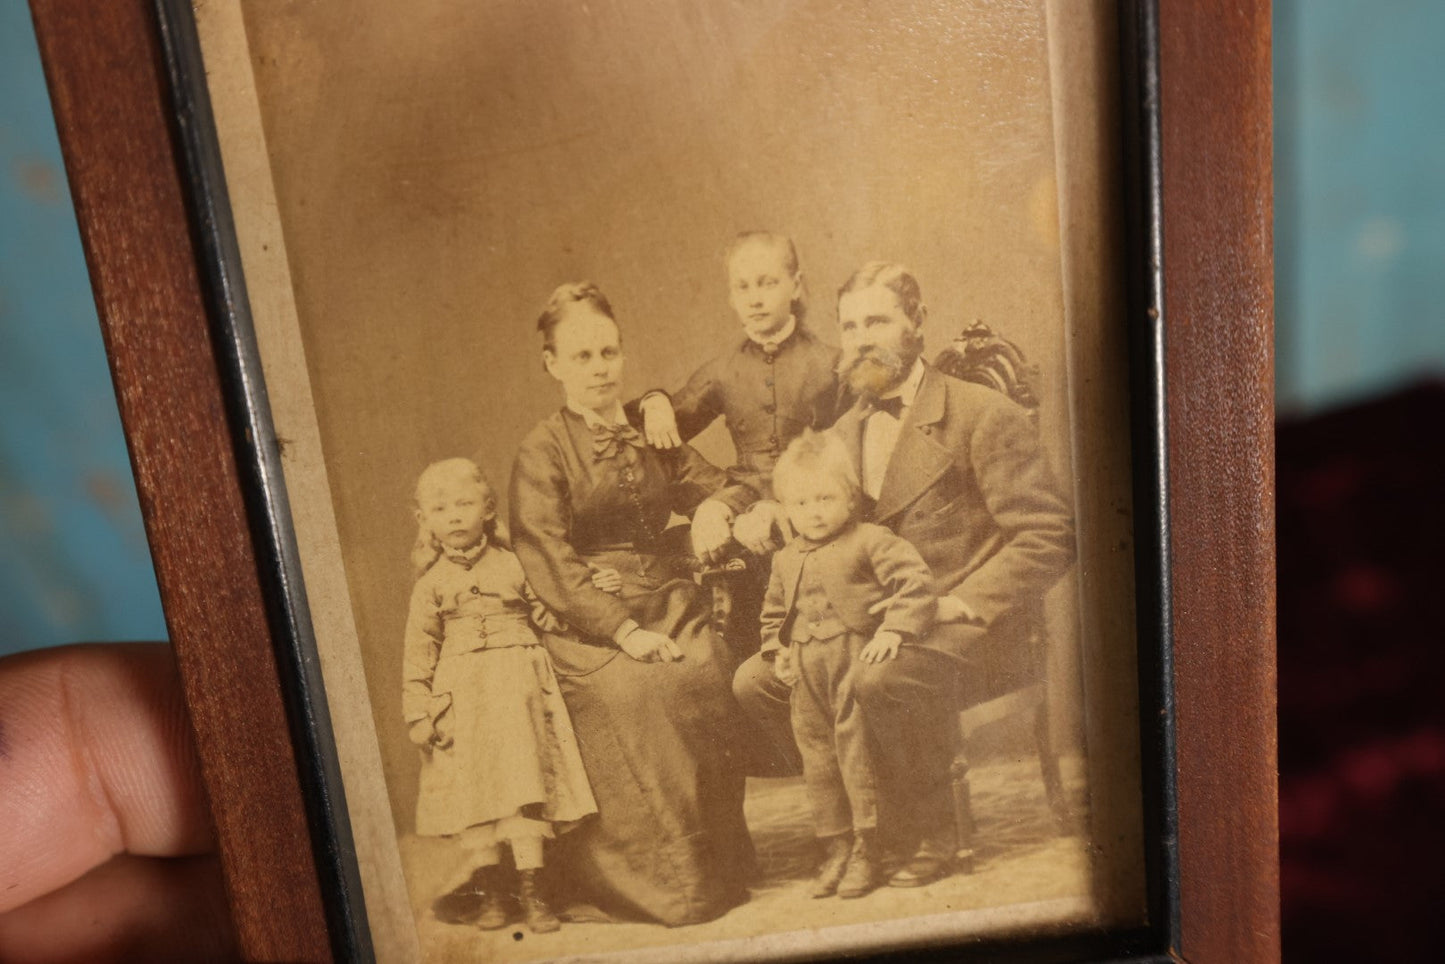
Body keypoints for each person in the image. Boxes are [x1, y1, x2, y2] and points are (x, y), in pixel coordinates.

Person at [732, 261, 1075, 888]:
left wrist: (961, 602)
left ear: (916, 325)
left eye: (878, 320)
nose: (862, 338)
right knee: (756, 683)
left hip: (975, 625)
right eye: (850, 325)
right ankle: (866, 825)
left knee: (883, 675)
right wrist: (738, 506)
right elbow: (781, 486)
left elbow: (1049, 536)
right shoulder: (842, 431)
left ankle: (930, 833)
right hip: (872, 623)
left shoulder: (981, 414)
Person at [508, 281, 757, 926]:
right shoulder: (542, 449)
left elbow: (725, 485)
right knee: (635, 694)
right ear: (552, 364)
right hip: (587, 621)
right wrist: (621, 630)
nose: (600, 369)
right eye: (583, 356)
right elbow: (547, 559)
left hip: (670, 599)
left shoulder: (652, 430)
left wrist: (711, 508)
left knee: (705, 666)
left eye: (610, 353)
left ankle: (722, 862)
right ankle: (667, 880)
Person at [402, 458, 596, 934]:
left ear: (488, 509)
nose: (454, 516)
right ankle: (491, 890)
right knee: (477, 797)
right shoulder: (429, 585)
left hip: (519, 693)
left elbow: (549, 615)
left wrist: (589, 598)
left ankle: (534, 893)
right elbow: (418, 653)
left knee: (523, 792)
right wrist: (418, 714)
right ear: (423, 518)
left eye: (465, 504)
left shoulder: (514, 564)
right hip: (462, 702)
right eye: (440, 508)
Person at [762, 431, 937, 900]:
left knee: (855, 751)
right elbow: (775, 613)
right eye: (801, 503)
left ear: (850, 496)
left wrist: (893, 630)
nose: (814, 512)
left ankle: (869, 844)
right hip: (805, 666)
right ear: (785, 507)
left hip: (852, 656)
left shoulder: (871, 539)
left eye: (825, 498)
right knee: (817, 757)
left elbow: (916, 583)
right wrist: (776, 650)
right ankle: (836, 844)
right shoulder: (784, 558)